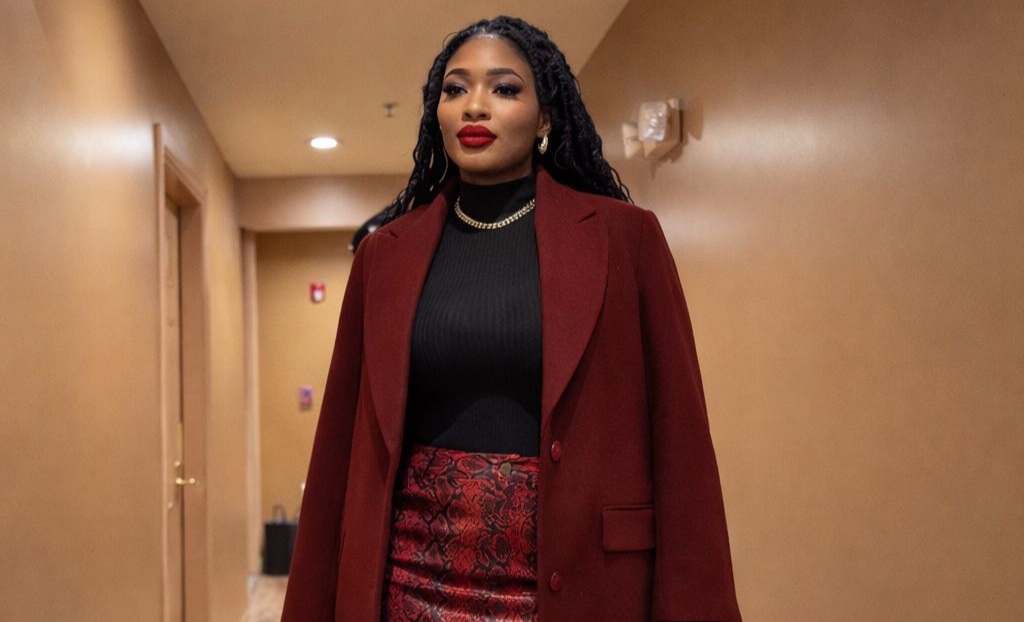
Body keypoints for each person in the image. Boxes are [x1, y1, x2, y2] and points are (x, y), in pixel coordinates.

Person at [281, 16, 741, 622]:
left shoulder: (624, 238)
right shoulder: (384, 255)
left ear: (546, 116)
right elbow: (339, 446)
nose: (475, 106)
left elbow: (680, 442)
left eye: (504, 88)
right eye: (455, 89)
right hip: (410, 580)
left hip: (573, 581)